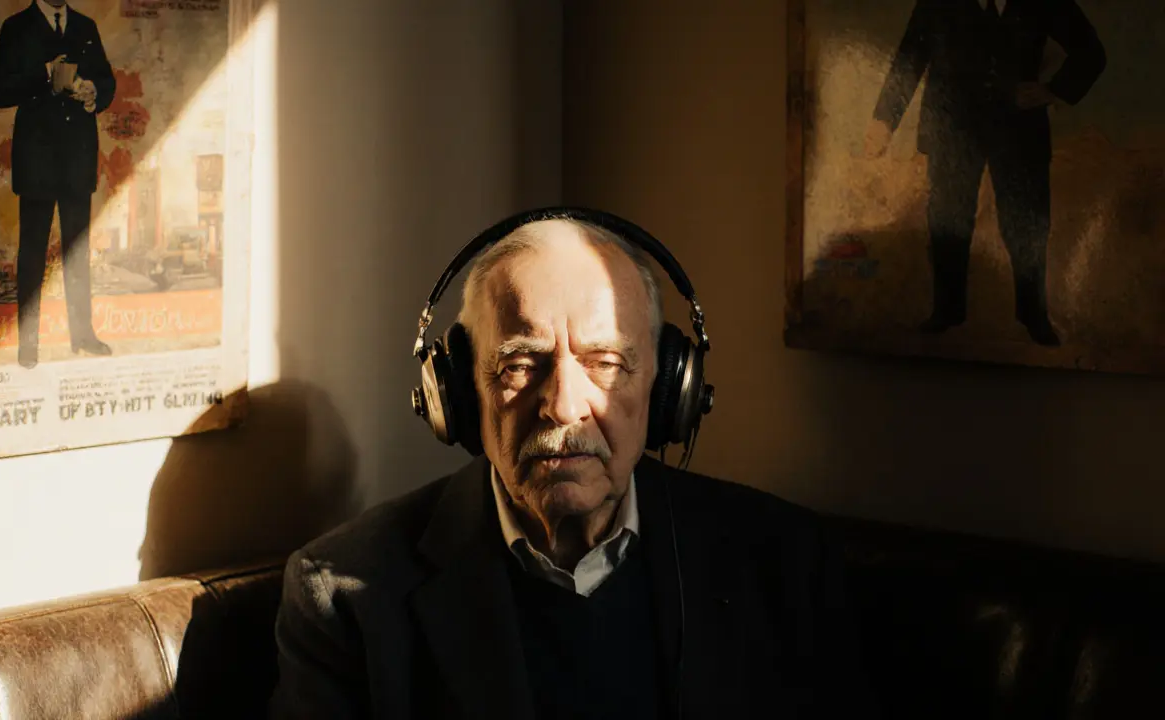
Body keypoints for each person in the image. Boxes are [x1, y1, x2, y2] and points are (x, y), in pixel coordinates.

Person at [268, 213, 873, 718]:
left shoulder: (785, 562)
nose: (562, 405)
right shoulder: (343, 595)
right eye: (520, 365)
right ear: (455, 394)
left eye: (606, 361)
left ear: (669, 390)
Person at [865, 0, 1106, 346]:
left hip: (1020, 132)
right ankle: (947, 311)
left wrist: (1052, 91)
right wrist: (884, 120)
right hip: (951, 130)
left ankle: (1033, 315)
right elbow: (909, 57)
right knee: (948, 220)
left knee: (1028, 226)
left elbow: (1092, 52)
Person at [0, 0, 116, 369]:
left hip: (77, 159)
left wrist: (97, 93)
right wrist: (43, 76)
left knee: (77, 253)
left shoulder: (86, 26)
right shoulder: (15, 27)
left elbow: (107, 80)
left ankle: (83, 337)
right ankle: (27, 345)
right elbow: (0, 92)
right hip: (37, 162)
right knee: (32, 255)